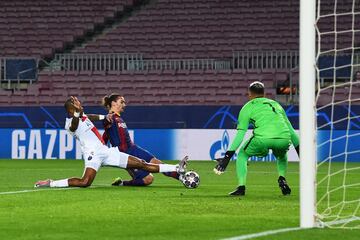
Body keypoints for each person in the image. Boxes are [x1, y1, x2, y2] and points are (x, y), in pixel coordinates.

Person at [34, 96, 188, 188]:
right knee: (85, 182)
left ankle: (176, 167)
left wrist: (103, 117)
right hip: (92, 154)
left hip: (106, 151)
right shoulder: (69, 123)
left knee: (141, 163)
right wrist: (77, 113)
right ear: (70, 110)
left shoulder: (82, 116)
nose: (80, 104)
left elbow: (90, 116)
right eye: (76, 104)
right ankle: (51, 183)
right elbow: (75, 124)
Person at [214, 81, 299, 196]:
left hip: (262, 140)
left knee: (242, 154)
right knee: (282, 155)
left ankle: (241, 188)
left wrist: (227, 157)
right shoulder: (276, 105)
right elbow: (292, 131)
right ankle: (282, 178)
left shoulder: (247, 107)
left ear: (249, 94)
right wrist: (300, 152)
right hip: (284, 138)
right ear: (264, 94)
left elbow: (240, 135)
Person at [101, 93, 183, 187]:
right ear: (113, 103)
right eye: (122, 102)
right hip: (125, 155)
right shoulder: (110, 118)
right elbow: (106, 124)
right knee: (148, 179)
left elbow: (106, 134)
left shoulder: (119, 118)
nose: (124, 104)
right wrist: (106, 118)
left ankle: (181, 177)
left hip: (133, 148)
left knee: (155, 161)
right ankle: (122, 183)